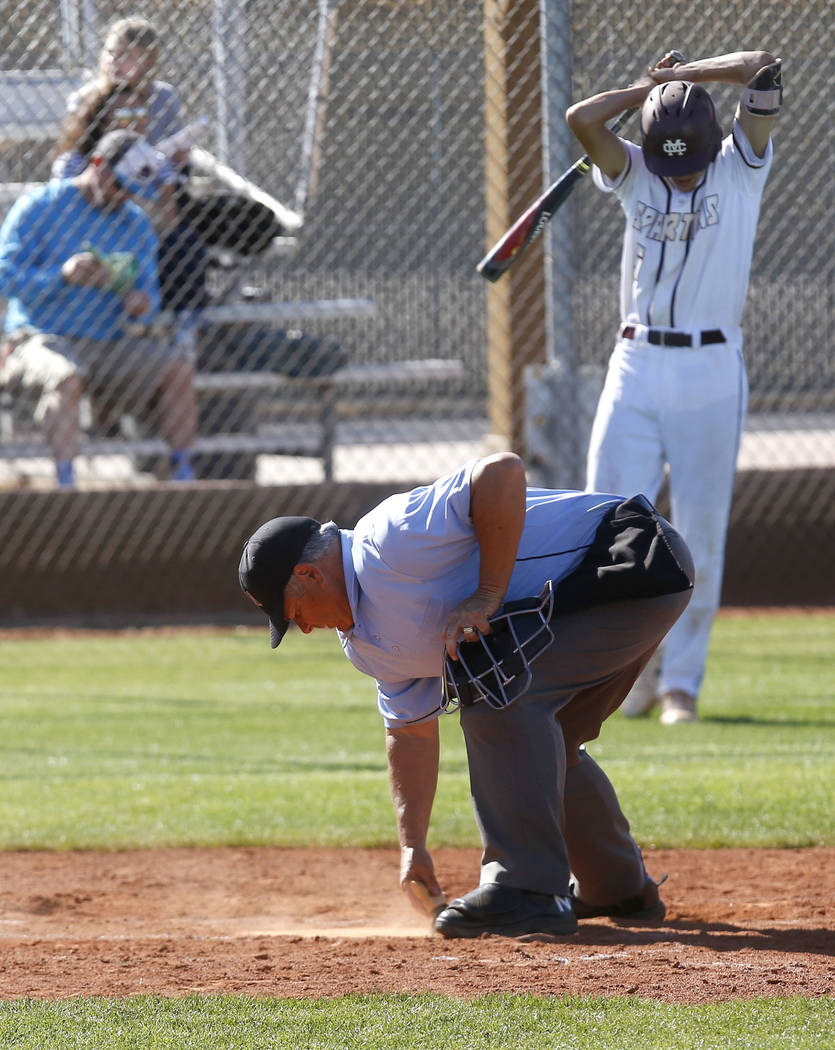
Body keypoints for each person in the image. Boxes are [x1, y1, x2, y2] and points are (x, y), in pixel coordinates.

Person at [239, 453, 694, 939]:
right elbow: (409, 733)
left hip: (631, 558)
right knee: (544, 737)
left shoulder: (389, 540)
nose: (303, 628)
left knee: (499, 689)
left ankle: (527, 890)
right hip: (600, 596)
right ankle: (616, 886)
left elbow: (502, 472)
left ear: (310, 575)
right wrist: (412, 846)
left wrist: (486, 595)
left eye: (293, 612)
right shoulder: (367, 643)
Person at [565, 49, 781, 724]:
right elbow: (580, 118)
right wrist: (648, 89)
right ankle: (616, 677)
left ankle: (678, 685)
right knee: (605, 522)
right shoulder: (634, 172)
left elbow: (763, 68)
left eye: (688, 159)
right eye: (668, 158)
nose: (679, 174)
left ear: (713, 141)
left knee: (699, 532)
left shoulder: (740, 165)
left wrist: (695, 79)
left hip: (711, 368)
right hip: (635, 364)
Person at [0, 130, 198, 487]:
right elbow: (4, 279)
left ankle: (184, 477)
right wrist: (60, 275)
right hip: (40, 338)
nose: (122, 197)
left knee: (178, 371)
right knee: (65, 376)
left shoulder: (134, 223)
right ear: (97, 165)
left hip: (109, 341)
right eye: (118, 186)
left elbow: (148, 296)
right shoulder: (39, 206)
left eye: (129, 191)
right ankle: (67, 486)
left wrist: (140, 304)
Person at [52, 80, 209, 315]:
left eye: (141, 113)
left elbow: (169, 223)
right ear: (102, 119)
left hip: (133, 241)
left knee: (184, 242)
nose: (135, 121)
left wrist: (150, 189)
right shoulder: (74, 161)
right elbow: (62, 214)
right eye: (125, 114)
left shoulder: (156, 161)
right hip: (83, 242)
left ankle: (181, 330)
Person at [66, 16, 182, 146]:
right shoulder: (85, 99)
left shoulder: (164, 97)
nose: (113, 61)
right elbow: (72, 156)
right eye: (110, 52)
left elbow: (177, 148)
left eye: (124, 54)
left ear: (147, 60)